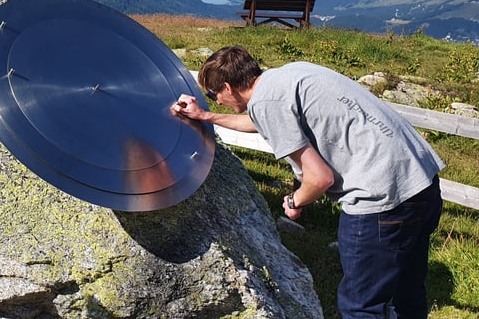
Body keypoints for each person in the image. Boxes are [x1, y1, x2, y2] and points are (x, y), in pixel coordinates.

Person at [171, 46, 445, 318]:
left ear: (228, 88)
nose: (216, 101)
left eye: (213, 94)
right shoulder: (288, 76)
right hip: (420, 180)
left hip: (380, 198)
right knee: (407, 291)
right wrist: (205, 117)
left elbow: (319, 178)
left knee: (361, 305)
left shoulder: (268, 103)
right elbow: (263, 120)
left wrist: (295, 200)